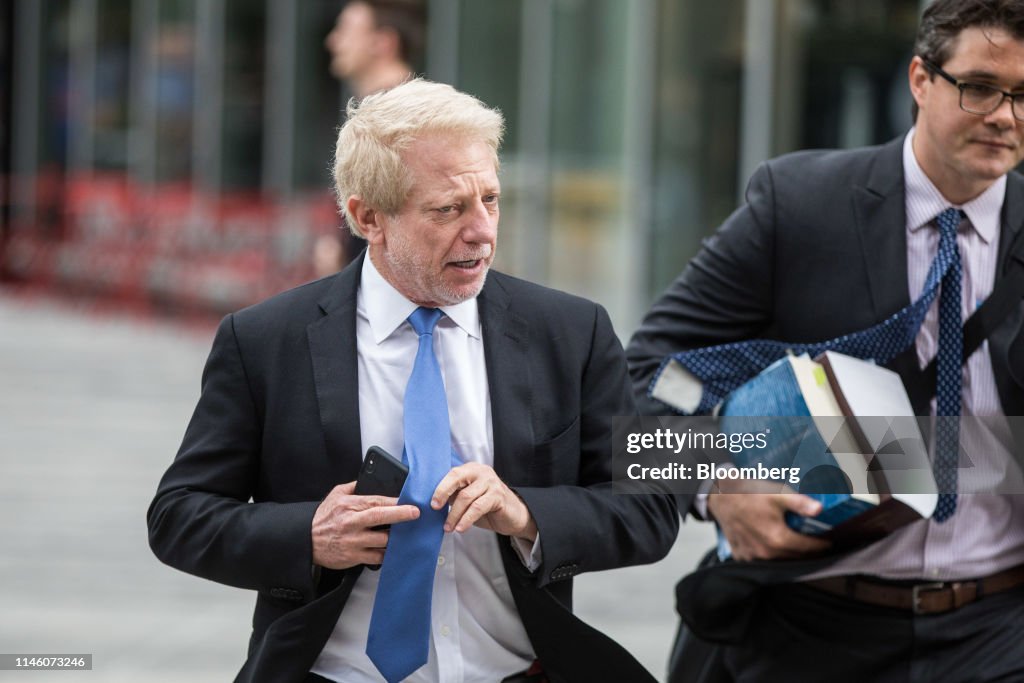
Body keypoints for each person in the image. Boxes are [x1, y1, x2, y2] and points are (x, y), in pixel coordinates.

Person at [148, 79, 678, 683]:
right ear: (367, 217)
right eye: (448, 209)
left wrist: (526, 512)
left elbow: (653, 506)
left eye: (492, 200)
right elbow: (178, 515)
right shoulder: (266, 340)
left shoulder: (573, 330)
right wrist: (309, 535)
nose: (482, 231)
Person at [627, 1, 1024, 681]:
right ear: (920, 79)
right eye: (980, 86)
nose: (1005, 116)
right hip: (806, 628)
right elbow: (640, 380)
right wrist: (716, 484)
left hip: (998, 632)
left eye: (1023, 96)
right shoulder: (800, 205)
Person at [315, 0, 428, 280]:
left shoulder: (399, 118)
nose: (333, 41)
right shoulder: (388, 111)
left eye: (346, 30)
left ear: (383, 42)